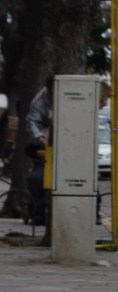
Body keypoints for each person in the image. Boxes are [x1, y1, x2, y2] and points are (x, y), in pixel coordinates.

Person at [24, 75, 54, 229]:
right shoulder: (39, 102)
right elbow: (33, 125)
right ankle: (39, 215)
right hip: (47, 156)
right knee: (36, 178)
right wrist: (41, 143)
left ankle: (93, 213)